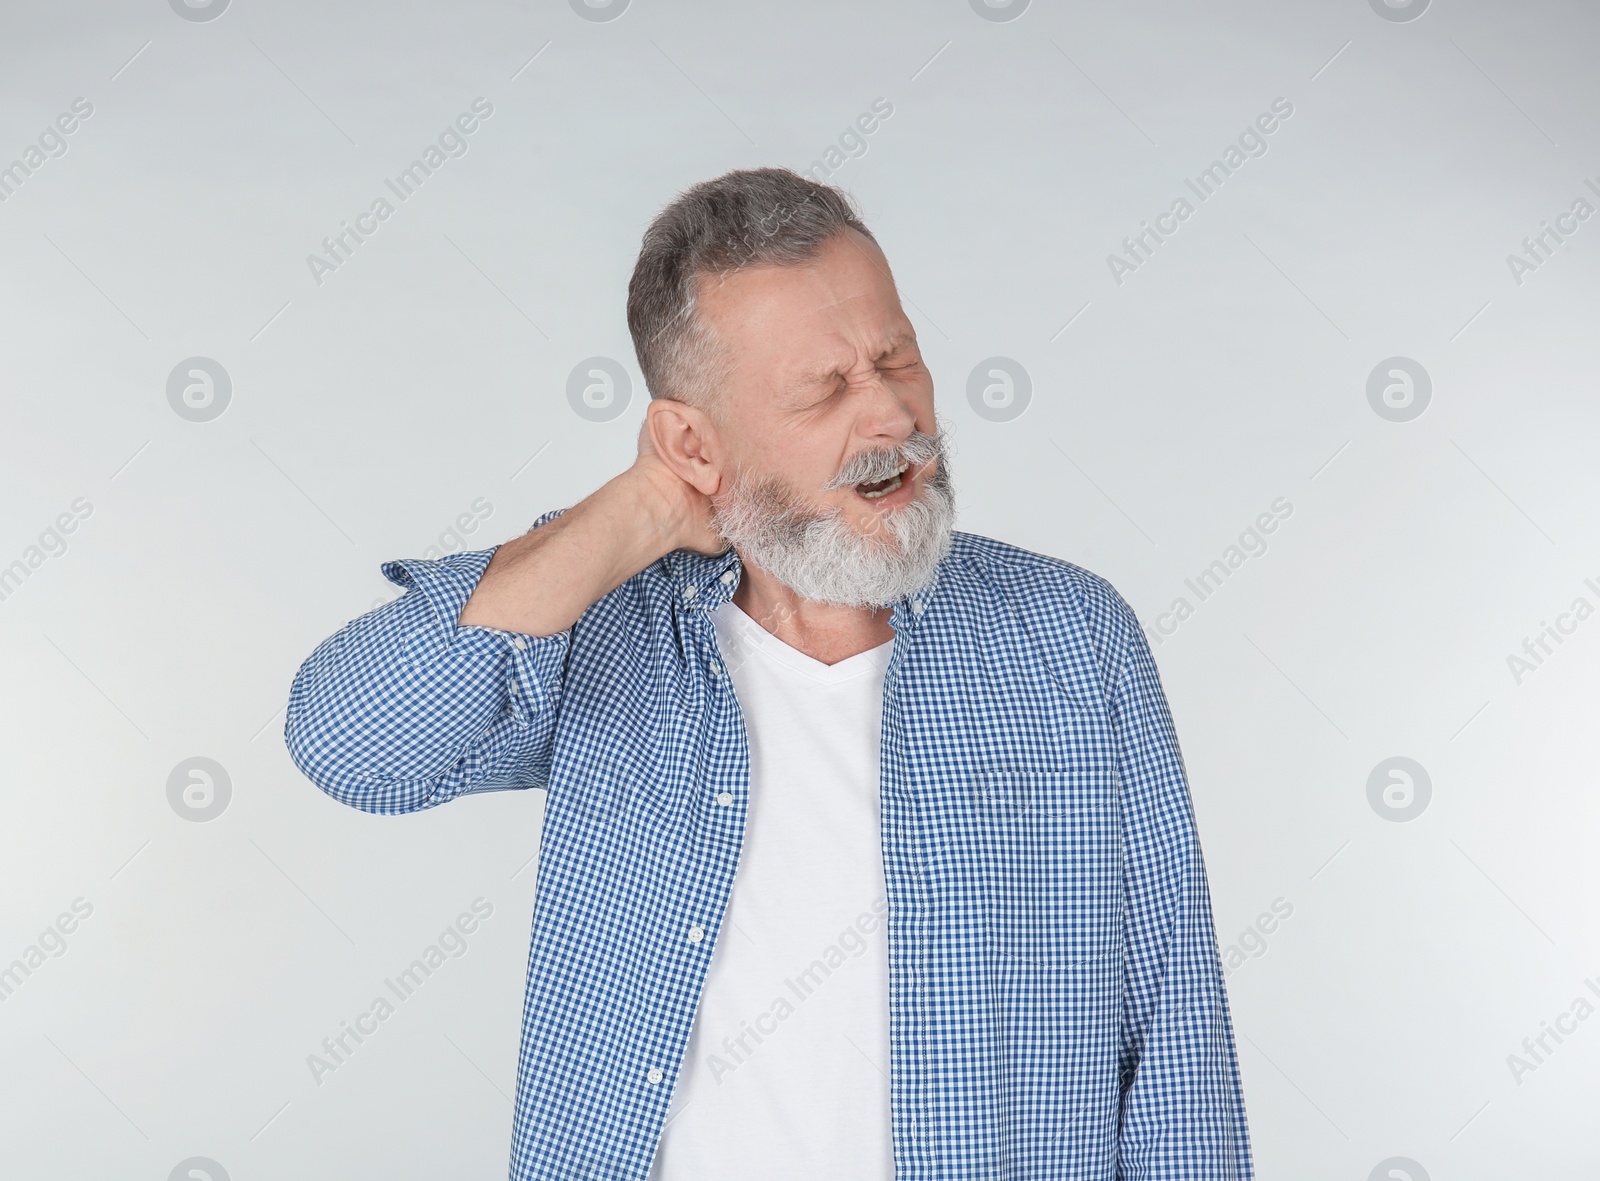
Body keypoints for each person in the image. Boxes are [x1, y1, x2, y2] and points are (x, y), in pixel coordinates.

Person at [285, 166, 1253, 1181]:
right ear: (693, 439)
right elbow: (351, 744)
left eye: (897, 357)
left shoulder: (1069, 634)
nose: (889, 415)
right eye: (824, 388)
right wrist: (644, 510)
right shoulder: (600, 618)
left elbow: (1173, 1035)